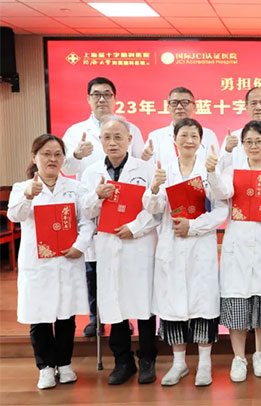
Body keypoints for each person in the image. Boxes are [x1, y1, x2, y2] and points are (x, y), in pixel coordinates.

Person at [144, 118, 228, 387]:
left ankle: (204, 363)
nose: (189, 140)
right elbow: (153, 209)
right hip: (171, 246)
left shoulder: (209, 169)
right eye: (184, 135)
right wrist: (154, 188)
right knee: (173, 306)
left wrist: (193, 226)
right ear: (174, 140)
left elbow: (222, 210)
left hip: (199, 246)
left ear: (201, 141)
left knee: (202, 304)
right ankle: (178, 363)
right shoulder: (163, 169)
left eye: (194, 136)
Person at [8, 134, 94, 389]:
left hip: (67, 260)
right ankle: (45, 367)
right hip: (38, 263)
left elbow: (86, 221)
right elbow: (14, 216)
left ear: (63, 158)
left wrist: (80, 245)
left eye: (57, 154)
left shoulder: (75, 188)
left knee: (66, 316)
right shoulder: (21, 187)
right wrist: (28, 196)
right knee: (40, 316)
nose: (52, 159)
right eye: (46, 154)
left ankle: (64, 363)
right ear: (34, 157)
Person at [61, 77, 145, 338]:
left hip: (125, 211)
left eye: (107, 94)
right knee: (94, 269)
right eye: (96, 94)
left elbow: (138, 164)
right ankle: (95, 317)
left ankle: (124, 317)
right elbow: (64, 167)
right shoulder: (76, 131)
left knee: (124, 272)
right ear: (88, 99)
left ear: (115, 98)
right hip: (93, 206)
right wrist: (76, 154)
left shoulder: (132, 128)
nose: (101, 99)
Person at [78, 115, 158, 385]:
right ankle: (123, 361)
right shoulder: (91, 173)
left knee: (144, 303)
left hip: (139, 244)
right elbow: (85, 212)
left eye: (118, 137)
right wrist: (97, 196)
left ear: (129, 140)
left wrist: (135, 228)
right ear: (100, 140)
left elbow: (156, 209)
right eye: (107, 138)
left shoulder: (145, 169)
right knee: (114, 303)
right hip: (108, 245)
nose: (113, 142)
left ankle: (147, 359)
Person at [208, 120, 261, 382]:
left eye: (259, 141)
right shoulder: (234, 171)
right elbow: (222, 192)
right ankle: (239, 357)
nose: (254, 146)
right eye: (249, 142)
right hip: (238, 244)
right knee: (238, 301)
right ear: (242, 145)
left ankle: (260, 354)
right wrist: (213, 170)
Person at [141, 87, 220, 166]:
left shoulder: (208, 135)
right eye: (174, 103)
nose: (179, 107)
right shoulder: (155, 137)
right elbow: (146, 167)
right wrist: (145, 159)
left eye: (185, 102)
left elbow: (217, 167)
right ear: (168, 107)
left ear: (194, 107)